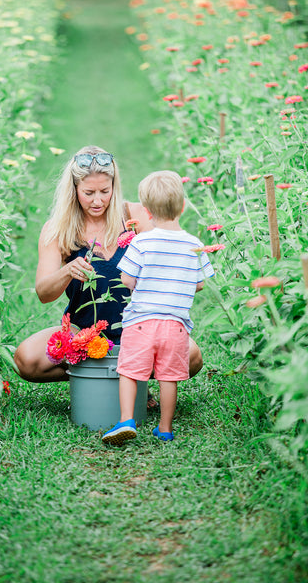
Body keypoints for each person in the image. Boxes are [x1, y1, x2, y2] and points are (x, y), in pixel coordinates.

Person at [13, 147, 204, 385]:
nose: (98, 200)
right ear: (74, 190)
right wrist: (66, 271)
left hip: (142, 327)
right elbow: (43, 293)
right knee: (26, 359)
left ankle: (123, 375)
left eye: (105, 191)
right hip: (83, 332)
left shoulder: (134, 216)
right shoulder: (57, 230)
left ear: (114, 186)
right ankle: (98, 376)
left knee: (191, 356)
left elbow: (173, 254)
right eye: (88, 192)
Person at [102, 170, 214, 446]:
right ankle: (164, 428)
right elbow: (200, 284)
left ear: (148, 213)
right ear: (183, 206)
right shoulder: (195, 246)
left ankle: (126, 419)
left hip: (140, 322)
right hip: (175, 325)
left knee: (129, 370)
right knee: (167, 376)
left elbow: (127, 279)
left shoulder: (141, 242)